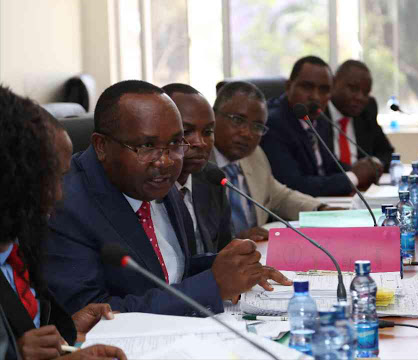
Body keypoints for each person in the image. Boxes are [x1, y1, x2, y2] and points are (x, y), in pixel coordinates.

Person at [44, 80, 290, 317]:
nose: (166, 161)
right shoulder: (65, 205)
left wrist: (235, 267)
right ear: (101, 146)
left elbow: (168, 271)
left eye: (175, 142)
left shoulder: (155, 180)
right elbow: (91, 313)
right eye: (147, 146)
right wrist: (212, 286)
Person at [0, 86, 126, 360]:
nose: (58, 196)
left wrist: (67, 330)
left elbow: (29, 329)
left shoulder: (21, 240)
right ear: (11, 175)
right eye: (49, 178)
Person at [212, 81, 330, 241]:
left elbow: (280, 197)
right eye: (238, 120)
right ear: (213, 116)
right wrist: (233, 240)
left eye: (257, 126)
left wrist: (321, 210)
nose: (247, 133)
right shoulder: (197, 164)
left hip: (259, 254)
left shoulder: (254, 155)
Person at [261, 55, 379, 197]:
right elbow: (293, 185)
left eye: (324, 90)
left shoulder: (317, 118)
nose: (316, 96)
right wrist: (353, 177)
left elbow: (328, 166)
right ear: (288, 87)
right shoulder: (273, 123)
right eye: (307, 87)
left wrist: (365, 169)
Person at [161, 83, 233, 254]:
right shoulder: (148, 189)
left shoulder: (212, 178)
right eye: (187, 132)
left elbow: (224, 251)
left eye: (208, 132)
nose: (200, 143)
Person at [328, 60, 394, 171]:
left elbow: (387, 153)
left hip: (365, 186)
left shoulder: (367, 111)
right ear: (333, 83)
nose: (360, 97)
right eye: (353, 89)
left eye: (366, 93)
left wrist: (374, 165)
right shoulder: (318, 112)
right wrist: (355, 174)